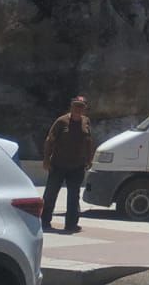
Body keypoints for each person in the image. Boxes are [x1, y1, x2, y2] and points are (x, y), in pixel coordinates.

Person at [42, 95, 94, 233]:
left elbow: (88, 141)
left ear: (85, 109)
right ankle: (44, 221)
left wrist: (89, 159)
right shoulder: (61, 121)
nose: (78, 109)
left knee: (73, 196)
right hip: (58, 165)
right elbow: (49, 140)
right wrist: (46, 160)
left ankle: (71, 224)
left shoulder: (86, 121)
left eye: (81, 107)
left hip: (77, 166)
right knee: (50, 194)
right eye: (76, 105)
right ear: (71, 106)